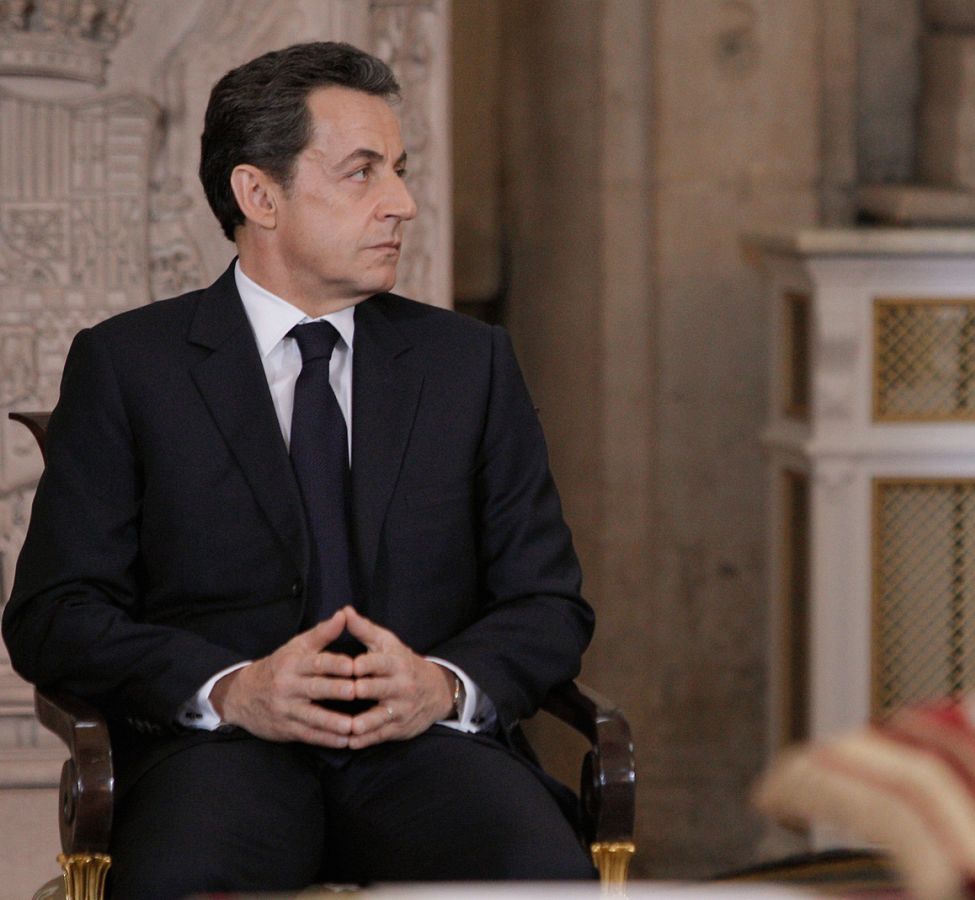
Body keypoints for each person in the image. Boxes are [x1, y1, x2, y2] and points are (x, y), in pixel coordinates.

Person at [1, 41, 596, 897]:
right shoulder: (131, 367)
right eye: (363, 173)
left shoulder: (471, 364)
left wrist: (442, 685)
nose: (403, 203)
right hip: (217, 759)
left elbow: (549, 603)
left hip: (432, 756)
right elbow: (54, 615)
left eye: (399, 169)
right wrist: (232, 689)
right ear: (258, 194)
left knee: (538, 878)